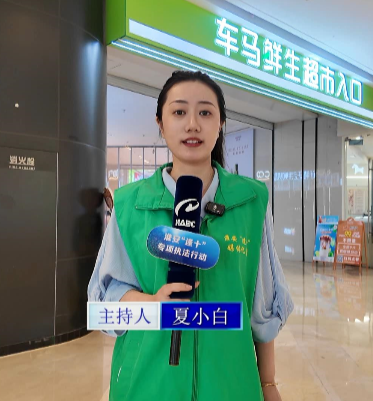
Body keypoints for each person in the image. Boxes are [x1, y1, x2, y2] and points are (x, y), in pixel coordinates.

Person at [87, 71, 293, 401]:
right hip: (147, 387)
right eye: (179, 112)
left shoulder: (251, 202)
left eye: (205, 112)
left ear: (221, 123)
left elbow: (262, 307)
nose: (192, 124)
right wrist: (153, 305)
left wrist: (267, 383)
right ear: (160, 123)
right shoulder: (129, 205)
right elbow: (106, 303)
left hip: (231, 386)